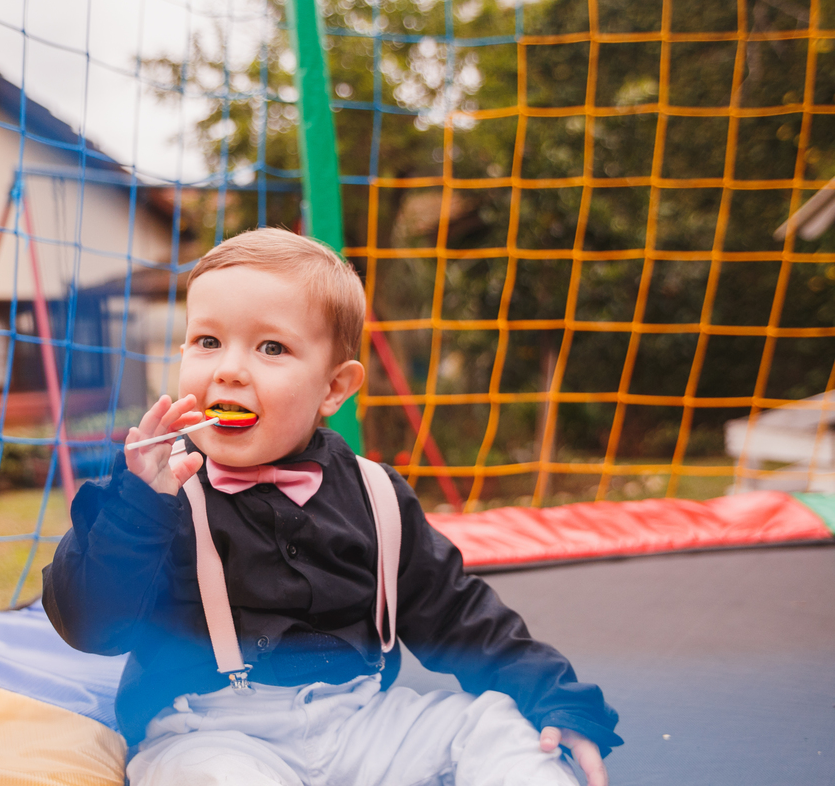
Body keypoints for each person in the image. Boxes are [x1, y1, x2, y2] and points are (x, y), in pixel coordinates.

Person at [43, 228, 621, 786]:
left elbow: (458, 615)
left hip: (359, 721)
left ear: (334, 388)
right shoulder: (154, 491)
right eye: (207, 341)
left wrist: (551, 697)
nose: (228, 369)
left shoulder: (376, 495)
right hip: (211, 733)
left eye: (272, 347)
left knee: (494, 724)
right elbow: (91, 626)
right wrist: (135, 510)